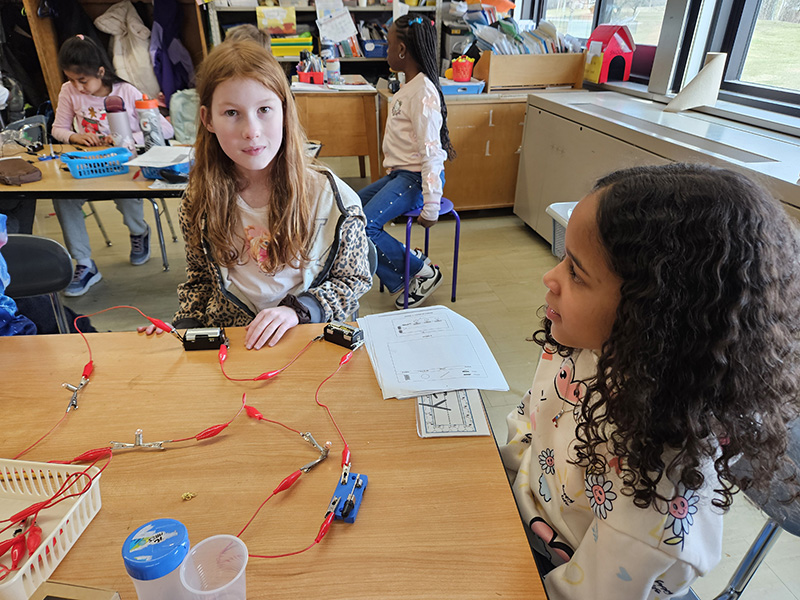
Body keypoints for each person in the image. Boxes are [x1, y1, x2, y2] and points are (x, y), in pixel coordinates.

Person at [501, 163, 800, 600]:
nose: (550, 278)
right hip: (527, 512)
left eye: (576, 273)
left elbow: (589, 593)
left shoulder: (659, 485)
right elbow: (532, 420)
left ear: (651, 314)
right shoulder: (581, 344)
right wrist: (495, 479)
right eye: (562, 259)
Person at [140, 41, 371, 349]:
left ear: (284, 110)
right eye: (232, 113)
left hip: (307, 338)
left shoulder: (333, 199)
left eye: (264, 109)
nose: (251, 130)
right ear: (208, 119)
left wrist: (298, 310)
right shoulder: (199, 201)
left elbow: (352, 282)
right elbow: (199, 283)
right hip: (234, 342)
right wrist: (184, 329)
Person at [51, 35, 174, 296]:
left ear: (101, 71)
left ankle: (139, 231)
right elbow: (58, 129)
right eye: (72, 79)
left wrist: (126, 140)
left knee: (128, 194)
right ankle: (84, 263)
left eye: (82, 80)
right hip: (88, 167)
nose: (78, 87)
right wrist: (75, 136)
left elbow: (164, 128)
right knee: (62, 198)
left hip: (123, 167)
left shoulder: (127, 92)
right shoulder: (68, 92)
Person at [358, 15, 454, 309]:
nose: (384, 51)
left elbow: (432, 152)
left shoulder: (423, 91)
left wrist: (431, 204)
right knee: (349, 213)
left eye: (387, 46)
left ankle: (422, 272)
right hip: (399, 175)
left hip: (414, 178)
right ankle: (410, 264)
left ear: (401, 50)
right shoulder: (408, 87)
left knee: (365, 226)